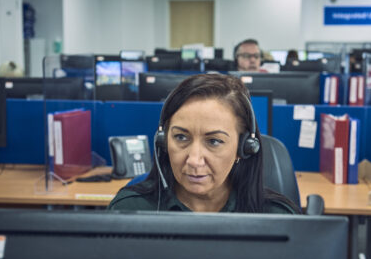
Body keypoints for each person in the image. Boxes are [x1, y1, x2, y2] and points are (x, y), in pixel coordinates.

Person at [108, 74, 300, 214]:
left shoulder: (277, 217)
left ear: (244, 148)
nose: (194, 160)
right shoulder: (129, 210)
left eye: (214, 141)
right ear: (163, 141)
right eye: (181, 137)